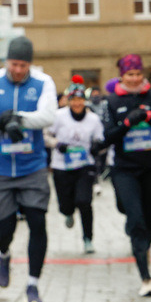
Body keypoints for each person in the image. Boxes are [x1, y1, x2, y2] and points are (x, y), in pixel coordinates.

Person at [0, 36, 57, 302]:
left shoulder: (43, 82)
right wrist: (0, 124)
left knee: (37, 222)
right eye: (15, 64)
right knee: (3, 228)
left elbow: (48, 116)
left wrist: (18, 119)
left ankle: (33, 284)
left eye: (24, 65)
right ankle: (4, 253)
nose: (19, 70)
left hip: (32, 167)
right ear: (7, 61)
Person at [100, 54, 151, 297]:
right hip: (124, 168)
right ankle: (145, 276)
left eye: (138, 74)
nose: (134, 79)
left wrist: (149, 116)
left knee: (150, 220)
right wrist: (127, 124)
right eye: (129, 75)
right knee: (135, 218)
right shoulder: (111, 101)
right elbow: (107, 136)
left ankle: (144, 247)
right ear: (121, 76)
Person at [47, 78, 104, 254]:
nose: (77, 103)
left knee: (84, 202)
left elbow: (101, 139)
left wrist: (97, 147)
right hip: (61, 165)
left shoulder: (93, 119)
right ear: (68, 101)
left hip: (84, 165)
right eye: (73, 100)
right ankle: (68, 212)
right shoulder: (58, 116)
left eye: (80, 100)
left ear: (84, 101)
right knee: (65, 204)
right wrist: (57, 144)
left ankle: (88, 238)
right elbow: (45, 136)